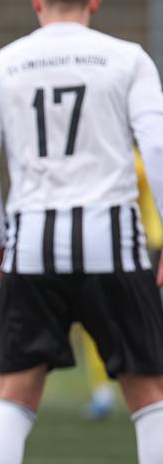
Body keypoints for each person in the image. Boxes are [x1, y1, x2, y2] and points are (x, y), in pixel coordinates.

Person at [0, 0, 163, 464]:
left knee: (13, 395)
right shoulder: (127, 59)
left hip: (33, 249)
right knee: (150, 397)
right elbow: (157, 148)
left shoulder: (0, 65)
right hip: (113, 246)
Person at [83, 150, 163, 420]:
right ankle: (103, 391)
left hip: (142, 248)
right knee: (97, 320)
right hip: (116, 248)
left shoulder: (133, 157)